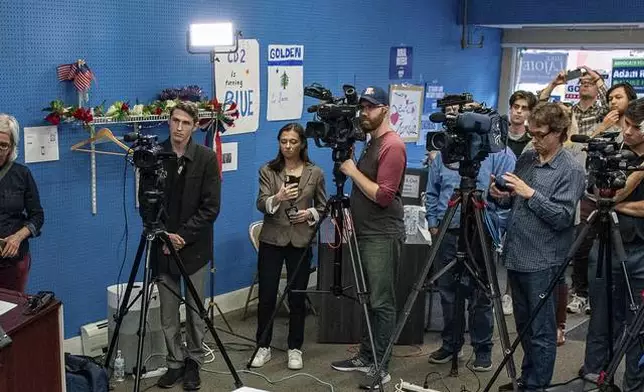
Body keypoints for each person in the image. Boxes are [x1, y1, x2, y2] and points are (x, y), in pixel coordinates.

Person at [489, 102, 585, 391]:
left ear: (560, 133)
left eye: (541, 134)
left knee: (542, 331)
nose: (535, 139)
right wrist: (499, 195)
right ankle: (527, 379)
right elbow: (515, 201)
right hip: (517, 254)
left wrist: (530, 194)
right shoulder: (529, 157)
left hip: (544, 261)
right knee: (524, 328)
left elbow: (563, 217)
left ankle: (536, 386)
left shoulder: (571, 169)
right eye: (532, 133)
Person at [330, 86, 407, 389]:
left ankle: (381, 365)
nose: (364, 113)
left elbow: (384, 195)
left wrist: (351, 171)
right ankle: (366, 355)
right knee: (368, 298)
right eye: (362, 107)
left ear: (385, 109)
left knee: (381, 302)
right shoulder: (370, 143)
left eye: (371, 108)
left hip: (382, 234)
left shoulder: (393, 145)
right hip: (363, 231)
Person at [425, 149, 515, 371]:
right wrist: (433, 221)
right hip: (448, 230)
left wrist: (496, 228)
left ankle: (482, 349)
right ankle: (451, 344)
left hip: (481, 230)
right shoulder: (447, 150)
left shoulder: (498, 152)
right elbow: (433, 190)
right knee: (447, 292)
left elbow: (508, 197)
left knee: (481, 293)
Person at [152, 101, 220, 391]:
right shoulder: (155, 155)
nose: (179, 128)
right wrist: (165, 236)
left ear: (195, 126)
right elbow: (147, 203)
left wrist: (182, 236)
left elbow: (211, 208)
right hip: (163, 247)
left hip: (194, 249)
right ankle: (174, 362)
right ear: (169, 121)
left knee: (194, 311)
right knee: (167, 312)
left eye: (186, 123)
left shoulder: (205, 158)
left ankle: (194, 361)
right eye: (175, 121)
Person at [250, 123, 327, 370]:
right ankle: (263, 346)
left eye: (293, 141)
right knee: (267, 297)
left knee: (297, 297)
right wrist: (278, 198)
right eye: (283, 141)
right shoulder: (268, 170)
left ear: (302, 143)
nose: (287, 146)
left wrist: (309, 214)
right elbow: (261, 203)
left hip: (300, 240)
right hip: (272, 239)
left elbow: (324, 207)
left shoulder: (315, 173)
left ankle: (295, 347)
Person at [582, 98, 644, 392]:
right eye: (626, 124)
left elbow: (612, 202)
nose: (628, 131)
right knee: (601, 321)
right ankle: (596, 381)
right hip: (605, 244)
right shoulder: (610, 154)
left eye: (635, 127)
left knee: (639, 328)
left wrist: (616, 205)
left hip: (641, 252)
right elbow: (605, 195)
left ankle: (635, 386)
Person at [567, 82, 638, 317]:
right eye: (610, 98)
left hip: (633, 234)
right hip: (597, 209)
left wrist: (616, 203)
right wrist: (602, 127)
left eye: (618, 97)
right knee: (583, 246)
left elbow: (617, 195)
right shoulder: (608, 133)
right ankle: (580, 292)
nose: (613, 102)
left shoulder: (634, 143)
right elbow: (582, 155)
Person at [0, 114, 44, 293]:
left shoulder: (22, 174)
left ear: (11, 148)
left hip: (13, 262)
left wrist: (17, 238)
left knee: (12, 315)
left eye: (3, 145)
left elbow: (37, 216)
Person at [538, 66, 608, 136]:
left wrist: (597, 79)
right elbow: (541, 108)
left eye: (591, 83)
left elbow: (608, 103)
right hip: (567, 146)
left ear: (598, 90)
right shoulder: (566, 111)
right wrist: (553, 84)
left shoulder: (601, 112)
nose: (586, 85)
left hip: (590, 146)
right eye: (583, 82)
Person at [506, 90, 538, 158]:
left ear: (530, 113)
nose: (519, 111)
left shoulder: (533, 140)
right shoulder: (498, 136)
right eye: (516, 107)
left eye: (524, 108)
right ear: (510, 109)